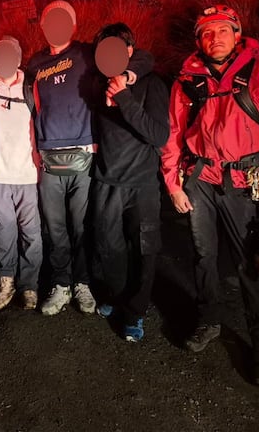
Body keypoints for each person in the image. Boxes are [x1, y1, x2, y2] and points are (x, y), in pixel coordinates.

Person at [160, 4, 259, 388]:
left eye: (223, 30)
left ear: (237, 35)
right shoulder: (186, 81)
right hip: (200, 180)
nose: (215, 38)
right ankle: (208, 320)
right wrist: (173, 183)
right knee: (203, 256)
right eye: (207, 32)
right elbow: (173, 135)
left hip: (245, 182)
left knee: (251, 266)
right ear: (199, 41)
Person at [27, 0, 154, 316]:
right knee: (55, 227)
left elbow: (142, 56)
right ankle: (61, 283)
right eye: (49, 20)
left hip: (84, 154)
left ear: (72, 25)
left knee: (82, 226)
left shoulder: (86, 53)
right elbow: (28, 106)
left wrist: (129, 78)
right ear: (42, 26)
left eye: (62, 19)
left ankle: (83, 282)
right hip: (49, 157)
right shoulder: (35, 63)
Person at [89, 23, 170, 342]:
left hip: (142, 185)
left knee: (144, 250)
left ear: (130, 52)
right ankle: (116, 297)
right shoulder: (96, 83)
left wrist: (125, 97)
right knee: (109, 249)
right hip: (107, 180)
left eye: (116, 48)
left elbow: (158, 134)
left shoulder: (152, 84)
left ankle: (135, 313)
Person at [0, 36, 42, 311]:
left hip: (29, 174)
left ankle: (30, 286)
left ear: (19, 57)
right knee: (3, 234)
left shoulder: (31, 89)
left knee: (32, 234)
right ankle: (6, 283)